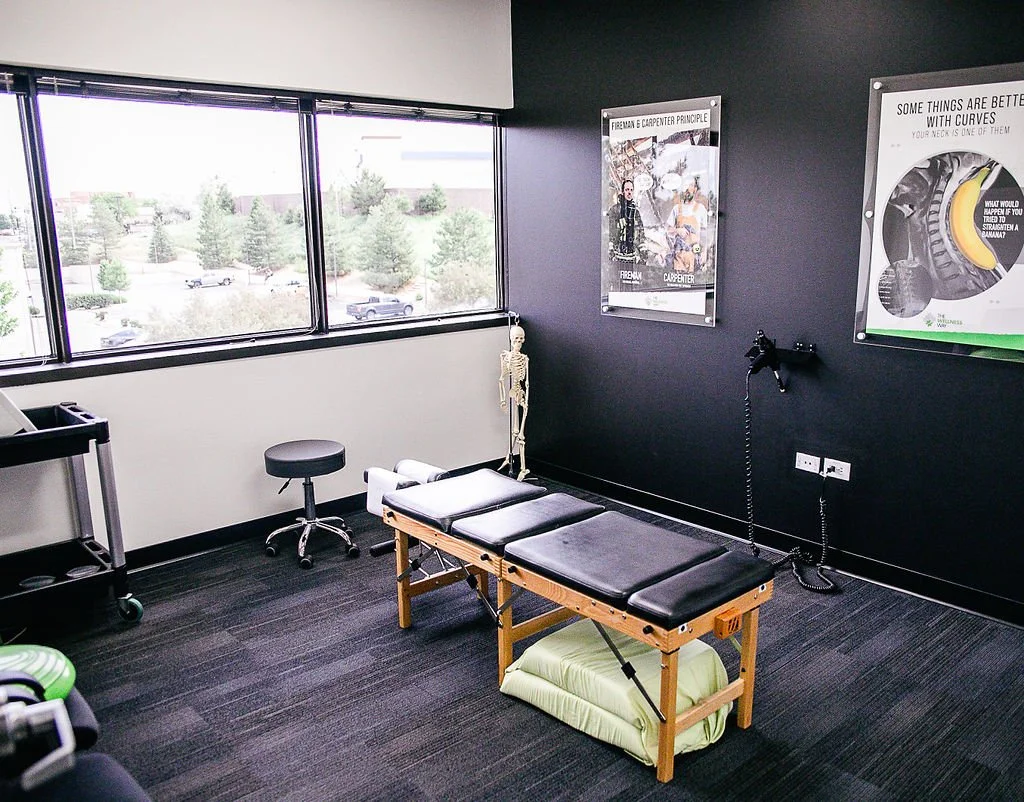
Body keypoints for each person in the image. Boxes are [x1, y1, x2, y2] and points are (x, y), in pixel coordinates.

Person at [498, 324, 530, 481]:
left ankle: (522, 468)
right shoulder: (506, 357)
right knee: (517, 432)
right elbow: (501, 379)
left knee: (519, 433)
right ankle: (511, 459)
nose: (519, 342)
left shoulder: (525, 359)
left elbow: (528, 382)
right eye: (516, 339)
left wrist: (526, 400)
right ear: (511, 340)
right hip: (512, 392)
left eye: (521, 339)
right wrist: (503, 400)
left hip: (521, 394)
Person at [665, 178, 709, 273]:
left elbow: (705, 235)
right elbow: (667, 231)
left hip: (695, 256)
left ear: (695, 189)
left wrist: (705, 252)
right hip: (679, 257)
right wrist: (677, 230)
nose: (687, 189)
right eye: (685, 186)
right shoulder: (676, 209)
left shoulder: (701, 209)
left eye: (691, 185)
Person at [607, 179, 647, 264]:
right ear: (622, 191)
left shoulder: (636, 212)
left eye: (631, 190)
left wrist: (643, 251)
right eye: (627, 190)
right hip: (617, 256)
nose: (629, 192)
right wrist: (610, 249)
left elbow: (640, 233)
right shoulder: (614, 210)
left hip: (632, 257)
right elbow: (610, 231)